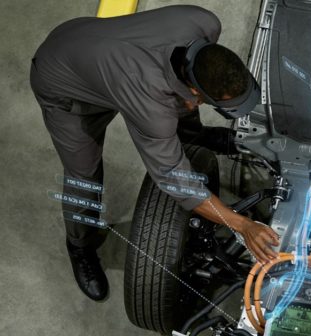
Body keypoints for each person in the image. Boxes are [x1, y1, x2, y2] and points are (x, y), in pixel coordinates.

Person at [30, 6, 279, 301]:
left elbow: (180, 88)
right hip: (65, 87)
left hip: (85, 39)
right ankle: (80, 246)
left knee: (177, 105)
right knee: (83, 175)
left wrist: (189, 102)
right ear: (197, 94)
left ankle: (195, 136)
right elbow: (176, 181)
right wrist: (243, 225)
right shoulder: (151, 107)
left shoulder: (202, 22)